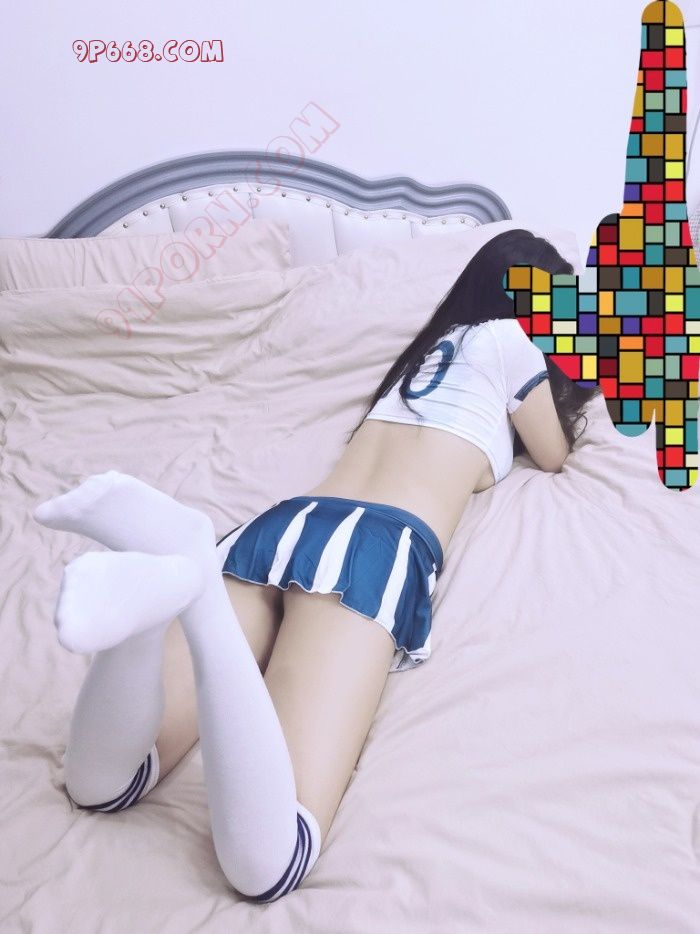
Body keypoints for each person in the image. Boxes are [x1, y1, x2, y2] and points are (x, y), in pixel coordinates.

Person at [34, 229, 602, 903]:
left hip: (283, 525)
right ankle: (196, 601)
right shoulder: (513, 345)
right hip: (372, 547)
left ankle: (172, 585)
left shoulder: (417, 365)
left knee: (102, 784)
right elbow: (553, 454)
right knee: (274, 859)